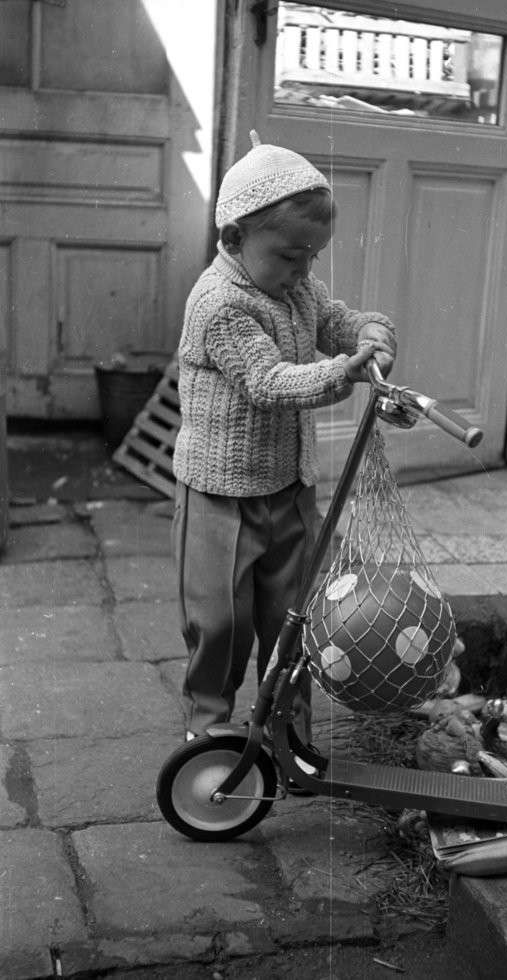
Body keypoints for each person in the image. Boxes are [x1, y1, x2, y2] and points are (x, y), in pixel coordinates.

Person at [172, 131, 397, 771]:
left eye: (312, 256)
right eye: (291, 255)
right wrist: (341, 374)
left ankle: (284, 732)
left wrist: (369, 332)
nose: (304, 270)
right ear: (234, 239)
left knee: (293, 622)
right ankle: (208, 734)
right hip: (219, 498)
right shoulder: (220, 304)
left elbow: (334, 318)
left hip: (289, 493)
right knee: (220, 624)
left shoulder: (295, 287)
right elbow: (267, 383)